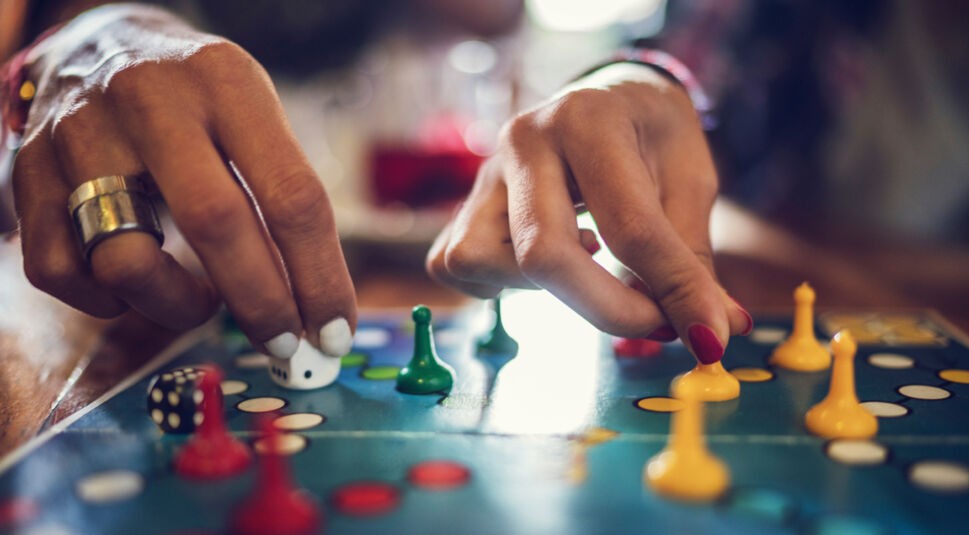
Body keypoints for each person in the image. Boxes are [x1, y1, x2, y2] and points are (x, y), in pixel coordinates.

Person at [0, 1, 751, 369]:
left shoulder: (461, 43)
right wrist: (80, 38)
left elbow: (582, 67)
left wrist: (639, 77)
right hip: (124, 333)